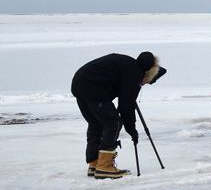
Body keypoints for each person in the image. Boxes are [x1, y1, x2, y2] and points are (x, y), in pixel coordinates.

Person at [70, 51, 164, 179]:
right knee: (113, 123)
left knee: (96, 124)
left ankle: (95, 163)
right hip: (92, 87)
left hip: (80, 84)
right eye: (147, 82)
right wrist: (132, 130)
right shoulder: (134, 73)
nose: (144, 84)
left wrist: (130, 126)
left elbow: (125, 103)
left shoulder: (129, 65)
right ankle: (104, 167)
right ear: (148, 74)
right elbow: (126, 106)